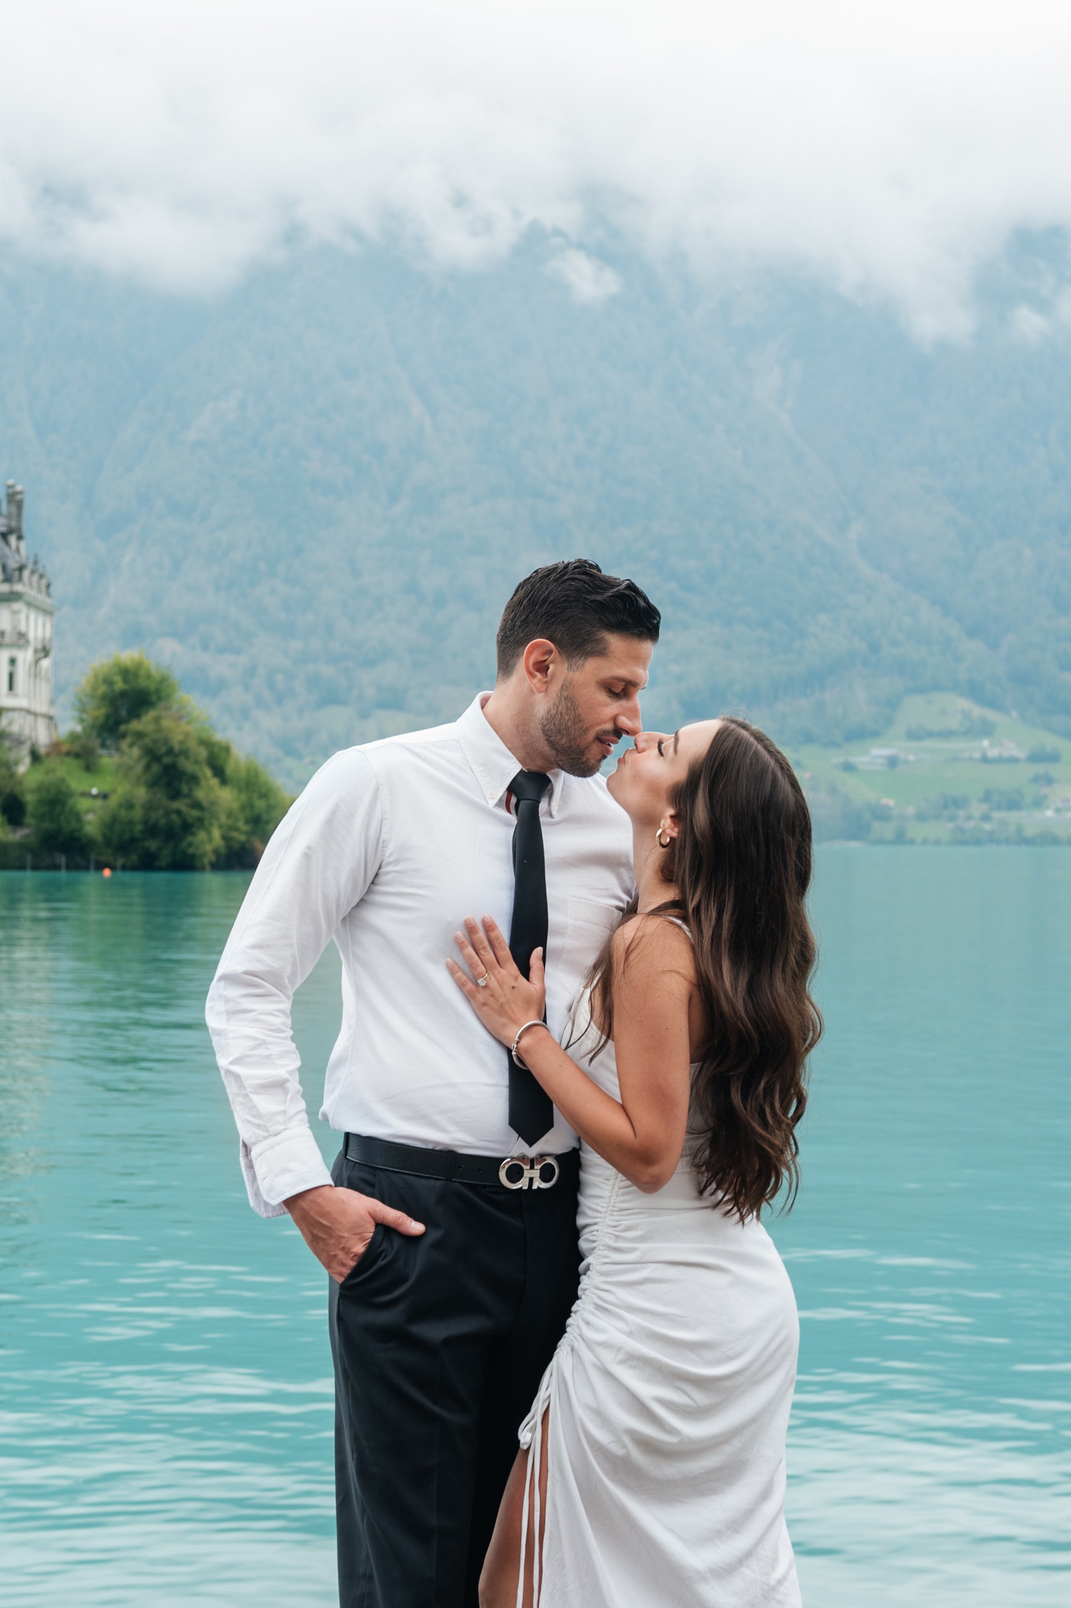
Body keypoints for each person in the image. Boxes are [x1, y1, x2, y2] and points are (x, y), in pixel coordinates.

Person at [206, 560, 661, 1608]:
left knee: (532, 1576)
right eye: (616, 688)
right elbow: (247, 987)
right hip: (405, 1225)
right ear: (540, 664)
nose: (633, 719)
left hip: (573, 1241)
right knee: (405, 1578)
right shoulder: (373, 783)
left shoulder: (613, 829)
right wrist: (298, 1188)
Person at [451, 717, 821, 1608]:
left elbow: (651, 1152)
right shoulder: (706, 942)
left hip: (657, 1312)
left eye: (668, 750)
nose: (643, 736)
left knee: (517, 1575)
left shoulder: (656, 945)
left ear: (679, 822)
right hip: (728, 1303)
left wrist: (526, 1032)